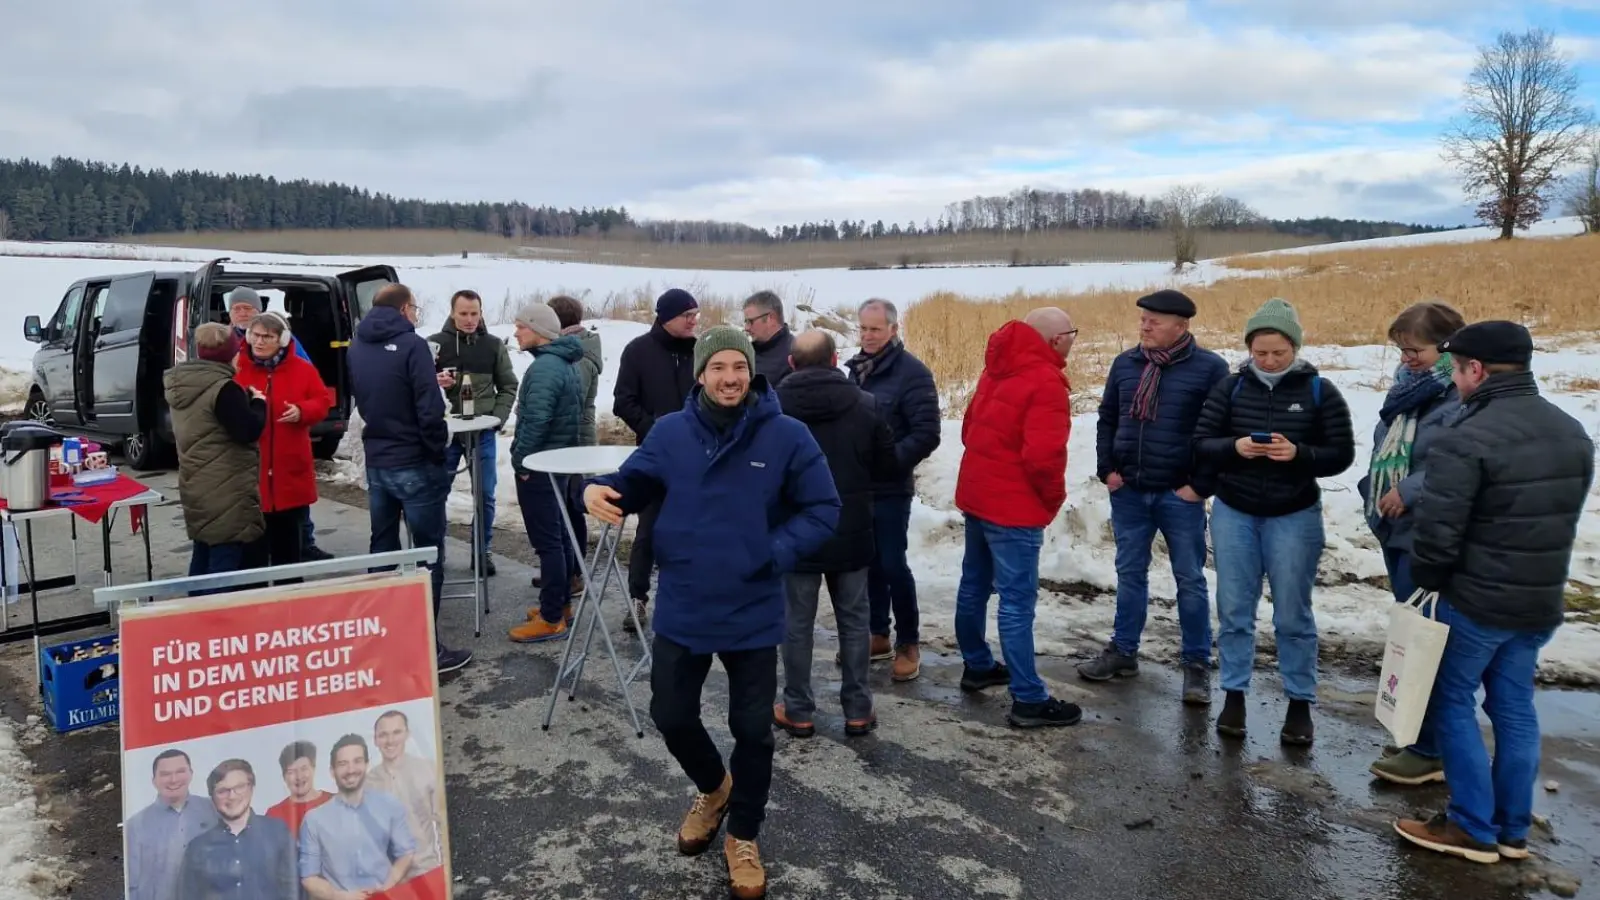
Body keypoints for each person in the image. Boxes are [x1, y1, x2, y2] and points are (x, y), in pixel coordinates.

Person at [584, 326, 840, 900]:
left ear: (751, 372)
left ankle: (743, 834)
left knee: (752, 730)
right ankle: (714, 786)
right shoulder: (672, 432)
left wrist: (770, 553)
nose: (730, 378)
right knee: (671, 714)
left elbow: (824, 507)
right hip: (687, 599)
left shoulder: (787, 435)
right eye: (718, 367)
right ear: (701, 374)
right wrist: (597, 489)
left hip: (752, 604)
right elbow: (633, 482)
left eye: (739, 367)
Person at [1394, 321, 1594, 865]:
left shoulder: (1467, 436)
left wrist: (1428, 580)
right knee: (1514, 708)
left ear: (1475, 370)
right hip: (1537, 600)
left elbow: (1440, 529)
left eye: (1457, 370)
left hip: (1475, 600)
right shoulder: (1571, 430)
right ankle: (1511, 828)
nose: (1455, 380)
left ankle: (1471, 826)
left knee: (1451, 701)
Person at [1192, 298, 1355, 745]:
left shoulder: (1320, 391)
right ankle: (1234, 695)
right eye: (1259, 352)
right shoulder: (1230, 388)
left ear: (1295, 348)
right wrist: (1235, 447)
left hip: (1294, 514)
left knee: (1292, 613)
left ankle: (1300, 702)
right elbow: (1201, 443)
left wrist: (1299, 454)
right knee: (1234, 609)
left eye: (1278, 353)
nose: (1267, 360)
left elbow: (1341, 454)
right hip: (1235, 512)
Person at [1080, 289, 1229, 705]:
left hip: (1179, 494)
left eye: (1154, 321)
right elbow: (1108, 418)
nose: (1144, 326)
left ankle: (1196, 664)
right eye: (1143, 319)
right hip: (1129, 490)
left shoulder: (1210, 369)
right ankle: (1123, 652)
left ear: (1181, 326)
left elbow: (1220, 431)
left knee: (1189, 578)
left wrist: (1200, 485)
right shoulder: (1126, 363)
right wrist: (1107, 469)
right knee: (1130, 573)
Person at [951, 308, 1082, 729]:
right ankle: (1028, 698)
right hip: (1014, 507)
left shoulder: (997, 367)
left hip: (979, 495)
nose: (1073, 340)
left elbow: (969, 431)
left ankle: (977, 665)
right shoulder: (1046, 381)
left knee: (974, 585)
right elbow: (1044, 457)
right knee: (1016, 601)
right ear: (1056, 340)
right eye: (1072, 333)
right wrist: (1051, 500)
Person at [1360, 300, 1468, 786]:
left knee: (1428, 641)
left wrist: (1410, 490)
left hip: (1428, 533)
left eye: (1415, 350)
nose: (1406, 358)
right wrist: (1373, 489)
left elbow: (1459, 460)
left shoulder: (1461, 396)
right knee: (1411, 633)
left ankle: (1430, 751)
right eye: (1401, 349)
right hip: (1397, 530)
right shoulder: (1410, 388)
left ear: (1447, 348)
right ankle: (1417, 736)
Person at [773, 330, 898, 739]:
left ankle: (798, 710)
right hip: (852, 526)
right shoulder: (866, 404)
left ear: (792, 363)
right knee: (855, 619)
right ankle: (858, 709)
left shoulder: (773, 407)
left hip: (796, 531)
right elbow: (886, 466)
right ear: (834, 359)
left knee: (796, 622)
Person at [347, 283, 471, 674]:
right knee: (426, 554)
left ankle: (382, 636)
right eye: (415, 308)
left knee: (383, 548)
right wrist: (436, 452)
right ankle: (425, 648)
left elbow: (363, 400)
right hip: (414, 462)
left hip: (378, 461)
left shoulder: (356, 345)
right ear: (403, 309)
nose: (416, 315)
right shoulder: (413, 345)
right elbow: (429, 408)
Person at [845, 298, 941, 681]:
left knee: (892, 563)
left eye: (875, 329)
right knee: (867, 562)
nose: (868, 336)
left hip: (891, 487)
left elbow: (926, 433)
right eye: (863, 329)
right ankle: (878, 634)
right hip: (859, 486)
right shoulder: (856, 371)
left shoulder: (912, 374)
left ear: (893, 329)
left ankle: (909, 642)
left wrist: (889, 462)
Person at [611, 288, 700, 633]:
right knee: (649, 530)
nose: (693, 321)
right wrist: (656, 430)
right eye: (686, 315)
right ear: (666, 317)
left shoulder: (699, 351)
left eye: (695, 314)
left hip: (698, 455)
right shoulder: (638, 351)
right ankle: (638, 598)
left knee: (695, 529)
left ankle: (689, 597)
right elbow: (623, 400)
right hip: (655, 456)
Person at [223, 286, 329, 561]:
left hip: (289, 467)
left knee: (289, 550)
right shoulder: (235, 366)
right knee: (252, 553)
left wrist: (303, 411)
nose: (259, 342)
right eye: (256, 336)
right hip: (250, 472)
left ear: (281, 340)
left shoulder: (302, 368)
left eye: (267, 337)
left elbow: (322, 400)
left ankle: (293, 580)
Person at [163, 323, 268, 588]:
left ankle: (196, 609)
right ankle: (215, 612)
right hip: (226, 488)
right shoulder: (224, 389)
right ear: (229, 354)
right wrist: (258, 403)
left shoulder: (184, 385)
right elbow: (247, 430)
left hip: (197, 484)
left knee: (204, 552)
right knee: (224, 561)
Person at [506, 302, 585, 643]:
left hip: (540, 466)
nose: (516, 333)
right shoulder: (562, 363)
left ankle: (552, 618)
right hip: (557, 463)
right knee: (560, 536)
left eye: (521, 326)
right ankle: (559, 606)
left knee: (548, 542)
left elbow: (536, 421)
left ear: (538, 330)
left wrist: (521, 461)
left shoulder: (545, 368)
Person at [430, 289, 519, 577]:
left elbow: (509, 385)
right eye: (463, 314)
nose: (469, 319)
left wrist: (497, 418)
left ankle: (482, 552)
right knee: (437, 493)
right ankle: (435, 552)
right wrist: (435, 383)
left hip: (482, 433)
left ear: (481, 314)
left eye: (474, 313)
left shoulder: (493, 345)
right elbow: (418, 386)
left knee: (485, 494)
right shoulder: (434, 345)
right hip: (446, 434)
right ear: (452, 313)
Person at [299, 735, 418, 897]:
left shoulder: (390, 805)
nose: (351, 770)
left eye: (357, 761)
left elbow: (406, 852)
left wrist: (387, 886)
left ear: (366, 765)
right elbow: (308, 877)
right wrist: (340, 897)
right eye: (343, 764)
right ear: (332, 771)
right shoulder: (314, 820)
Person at [176, 759, 297, 900]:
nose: (232, 796)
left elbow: (293, 891)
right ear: (212, 797)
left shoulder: (278, 832)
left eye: (239, 787)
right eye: (222, 791)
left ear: (251, 788)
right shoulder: (197, 847)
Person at [548, 294, 603, 596]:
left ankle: (575, 573)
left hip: (576, 439)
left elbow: (571, 400)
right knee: (564, 506)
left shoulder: (578, 356)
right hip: (572, 438)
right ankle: (563, 570)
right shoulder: (576, 348)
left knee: (571, 507)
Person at [125, 749, 221, 900]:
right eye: (165, 774)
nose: (173, 779)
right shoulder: (135, 826)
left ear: (191, 774)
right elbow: (131, 886)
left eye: (180, 771)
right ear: (154, 780)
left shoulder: (216, 810)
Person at [367, 710, 445, 875]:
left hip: (425, 871)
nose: (390, 741)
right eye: (383, 735)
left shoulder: (428, 769)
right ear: (375, 740)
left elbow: (443, 823)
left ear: (407, 734)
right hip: (386, 879)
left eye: (396, 732)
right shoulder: (367, 783)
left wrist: (444, 871)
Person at [265, 741, 333, 839]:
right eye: (291, 772)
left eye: (304, 769)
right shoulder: (274, 815)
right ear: (284, 777)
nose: (299, 776)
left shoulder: (335, 802)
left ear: (313, 769)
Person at [742, 290, 795, 387]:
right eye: (746, 322)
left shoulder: (796, 355)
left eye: (750, 321)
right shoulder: (746, 352)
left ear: (770, 318)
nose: (746, 328)